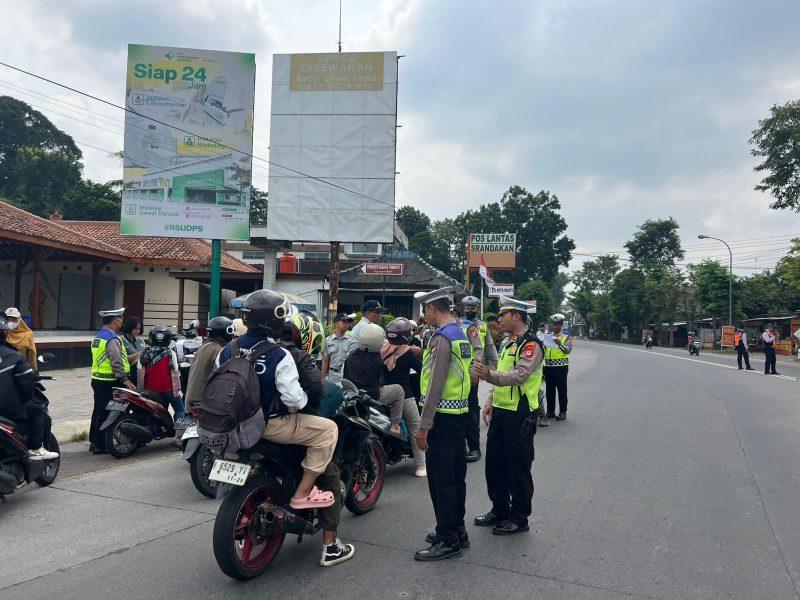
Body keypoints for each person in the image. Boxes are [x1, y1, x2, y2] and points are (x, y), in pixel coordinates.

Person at [216, 290, 339, 514]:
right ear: (275, 320)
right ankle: (303, 493)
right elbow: (294, 399)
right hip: (269, 426)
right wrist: (299, 403)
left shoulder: (226, 351)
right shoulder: (279, 354)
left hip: (231, 423)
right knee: (328, 430)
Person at [277, 319, 356, 566]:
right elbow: (317, 389)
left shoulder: (252, 349)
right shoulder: (298, 356)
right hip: (286, 424)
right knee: (329, 473)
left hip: (252, 427)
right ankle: (330, 547)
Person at [472, 296, 542, 535]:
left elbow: (520, 375)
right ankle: (499, 509)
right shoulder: (506, 343)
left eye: (503, 314)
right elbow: (502, 371)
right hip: (501, 411)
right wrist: (490, 401)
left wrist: (488, 375)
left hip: (520, 414)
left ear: (517, 316)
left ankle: (519, 518)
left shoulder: (531, 345)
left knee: (518, 467)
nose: (499, 319)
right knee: (494, 465)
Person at [414, 286, 472, 561]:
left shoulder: (441, 338)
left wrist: (424, 425)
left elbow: (435, 384)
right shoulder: (460, 334)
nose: (424, 316)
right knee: (455, 477)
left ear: (432, 308)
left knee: (441, 480)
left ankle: (448, 540)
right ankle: (457, 530)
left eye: (425, 310)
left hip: (441, 419)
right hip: (459, 414)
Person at [0, 316, 58, 460]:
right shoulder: (14, 356)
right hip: (7, 408)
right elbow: (26, 387)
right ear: (6, 334)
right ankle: (36, 448)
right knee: (37, 408)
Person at [381, 317, 427, 476]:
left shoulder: (382, 350)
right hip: (405, 395)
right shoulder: (407, 353)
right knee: (415, 427)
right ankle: (421, 465)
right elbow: (423, 369)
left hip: (384, 394)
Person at [343, 323, 406, 436]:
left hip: (352, 395)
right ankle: (395, 425)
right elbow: (381, 381)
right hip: (370, 395)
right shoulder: (376, 358)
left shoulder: (351, 355)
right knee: (399, 390)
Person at [90, 308, 134, 454]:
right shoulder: (112, 339)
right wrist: (124, 379)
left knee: (98, 411)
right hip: (110, 381)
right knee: (107, 412)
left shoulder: (99, 337)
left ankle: (94, 441)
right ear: (116, 321)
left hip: (98, 379)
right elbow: (116, 361)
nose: (122, 322)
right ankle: (101, 445)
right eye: (121, 319)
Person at [459, 296, 498, 463]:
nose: (470, 310)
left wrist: (497, 370)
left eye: (473, 308)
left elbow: (488, 347)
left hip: (471, 372)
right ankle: (461, 444)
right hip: (457, 372)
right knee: (459, 410)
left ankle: (475, 448)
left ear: (478, 308)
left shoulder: (482, 325)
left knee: (471, 411)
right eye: (467, 308)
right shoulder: (458, 324)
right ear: (463, 308)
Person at [138, 325, 185, 430]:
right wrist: (177, 391)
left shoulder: (145, 353)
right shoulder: (170, 353)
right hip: (168, 389)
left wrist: (141, 390)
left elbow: (140, 373)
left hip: (150, 390)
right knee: (180, 410)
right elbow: (175, 373)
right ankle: (179, 433)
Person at [543, 313, 572, 421]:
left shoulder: (566, 336)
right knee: (549, 390)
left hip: (561, 366)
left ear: (561, 325)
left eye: (557, 324)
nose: (555, 326)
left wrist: (560, 343)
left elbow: (568, 350)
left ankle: (563, 412)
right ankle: (550, 411)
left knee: (562, 390)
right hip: (548, 366)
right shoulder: (548, 336)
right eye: (553, 324)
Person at [321, 313, 355, 384]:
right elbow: (325, 361)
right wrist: (322, 380)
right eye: (344, 321)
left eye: (347, 322)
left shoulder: (352, 341)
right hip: (332, 377)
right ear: (336, 323)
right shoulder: (328, 340)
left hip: (346, 377)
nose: (346, 324)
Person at [120, 317, 145, 384]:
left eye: (139, 329)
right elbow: (124, 359)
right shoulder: (120, 340)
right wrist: (141, 353)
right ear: (129, 327)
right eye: (136, 329)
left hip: (140, 373)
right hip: (127, 374)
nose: (138, 331)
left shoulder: (140, 341)